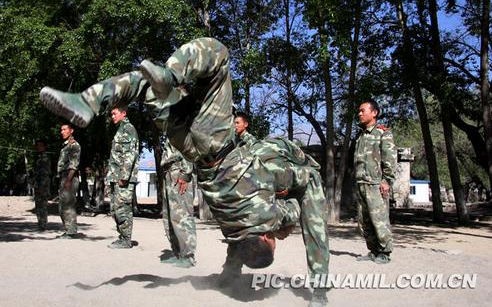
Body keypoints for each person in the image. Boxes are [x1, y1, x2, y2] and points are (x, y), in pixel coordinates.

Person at [39, 37, 329, 305]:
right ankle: (95, 99)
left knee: (218, 56)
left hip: (215, 142)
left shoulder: (268, 210)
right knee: (145, 86)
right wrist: (316, 291)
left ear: (266, 236)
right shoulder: (235, 228)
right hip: (189, 148)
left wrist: (296, 186)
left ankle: (113, 92)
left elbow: (305, 197)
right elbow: (248, 240)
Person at [354, 99, 397, 264]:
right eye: (359, 111)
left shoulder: (383, 133)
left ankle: (385, 252)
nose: (359, 113)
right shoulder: (360, 136)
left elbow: (390, 159)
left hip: (376, 184)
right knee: (364, 220)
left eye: (362, 110)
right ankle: (373, 250)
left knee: (379, 219)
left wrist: (387, 180)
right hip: (361, 183)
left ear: (374, 113)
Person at [106, 106, 140, 249]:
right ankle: (122, 236)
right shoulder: (121, 129)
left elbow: (129, 155)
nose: (112, 116)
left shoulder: (128, 129)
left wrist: (124, 177)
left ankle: (126, 240)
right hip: (115, 176)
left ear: (123, 113)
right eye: (111, 114)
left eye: (115, 113)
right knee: (115, 209)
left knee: (123, 209)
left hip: (123, 178)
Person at [160, 139, 196, 267]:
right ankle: (178, 254)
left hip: (180, 173)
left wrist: (186, 173)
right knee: (170, 217)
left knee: (183, 216)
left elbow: (190, 147)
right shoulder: (171, 125)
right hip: (169, 173)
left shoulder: (183, 121)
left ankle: (188, 256)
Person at [56, 123, 81, 238]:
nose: (62, 132)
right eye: (61, 130)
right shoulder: (65, 146)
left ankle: (71, 232)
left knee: (68, 205)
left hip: (70, 177)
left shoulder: (74, 145)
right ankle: (68, 230)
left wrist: (68, 180)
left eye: (65, 129)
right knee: (62, 206)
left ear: (71, 131)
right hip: (64, 177)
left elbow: (74, 165)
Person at [33, 139, 51, 230]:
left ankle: (43, 224)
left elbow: (44, 173)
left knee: (42, 205)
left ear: (44, 147)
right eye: (37, 145)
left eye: (40, 145)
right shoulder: (39, 157)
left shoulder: (44, 157)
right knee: (38, 204)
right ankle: (40, 223)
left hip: (42, 185)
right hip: (38, 184)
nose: (38, 147)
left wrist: (42, 186)